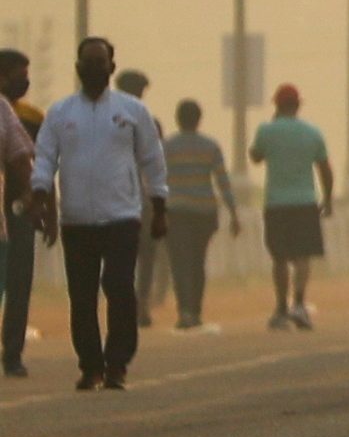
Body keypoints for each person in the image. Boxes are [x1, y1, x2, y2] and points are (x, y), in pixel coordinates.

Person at [29, 37, 167, 391]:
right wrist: (41, 194)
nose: (94, 69)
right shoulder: (60, 113)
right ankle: (91, 366)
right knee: (83, 294)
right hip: (76, 220)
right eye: (87, 63)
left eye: (100, 63)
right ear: (77, 69)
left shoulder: (132, 111)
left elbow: (152, 159)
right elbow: (45, 157)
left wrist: (160, 204)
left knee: (120, 287)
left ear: (112, 68)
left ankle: (117, 363)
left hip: (122, 215)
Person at [249, 83, 333, 330]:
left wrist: (273, 125)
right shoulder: (312, 132)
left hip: (276, 203)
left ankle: (280, 309)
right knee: (303, 256)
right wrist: (327, 199)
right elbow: (325, 170)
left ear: (276, 105)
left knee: (280, 257)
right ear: (298, 105)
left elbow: (255, 157)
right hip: (305, 201)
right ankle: (299, 303)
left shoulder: (266, 130)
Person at [160, 99, 239, 329]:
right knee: (197, 262)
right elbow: (222, 181)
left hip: (175, 212)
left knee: (180, 263)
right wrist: (233, 213)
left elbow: (156, 180)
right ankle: (195, 310)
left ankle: (184, 311)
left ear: (178, 119)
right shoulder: (210, 146)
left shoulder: (167, 146)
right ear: (199, 119)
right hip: (204, 212)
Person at [1, 48, 46, 376]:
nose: (25, 82)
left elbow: (36, 162)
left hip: (18, 207)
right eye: (19, 75)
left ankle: (12, 351)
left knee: (19, 279)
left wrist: (41, 200)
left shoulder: (31, 116)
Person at [113, 69, 165, 327]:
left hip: (113, 196)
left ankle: (128, 304)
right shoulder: (151, 123)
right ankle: (140, 305)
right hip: (140, 198)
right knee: (145, 254)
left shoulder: (103, 120)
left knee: (122, 255)